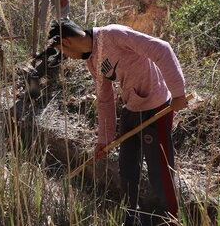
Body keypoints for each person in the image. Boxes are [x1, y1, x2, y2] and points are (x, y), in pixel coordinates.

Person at [48, 19, 188, 225]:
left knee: (159, 169)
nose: (67, 56)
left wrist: (178, 93)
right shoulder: (92, 61)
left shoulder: (113, 35)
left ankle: (170, 219)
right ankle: (131, 217)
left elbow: (161, 48)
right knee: (127, 167)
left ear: (67, 42)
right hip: (131, 108)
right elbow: (105, 100)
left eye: (63, 51)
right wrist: (104, 140)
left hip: (156, 106)